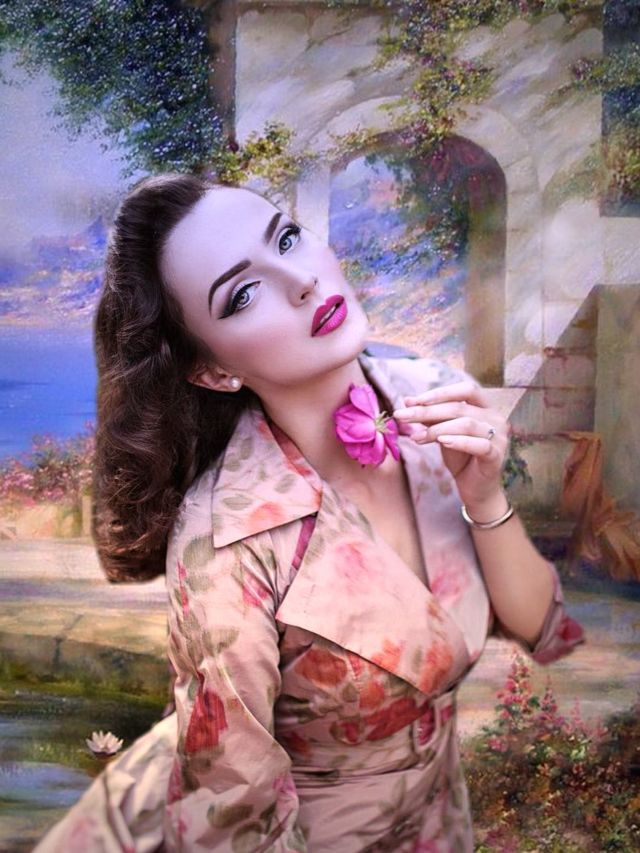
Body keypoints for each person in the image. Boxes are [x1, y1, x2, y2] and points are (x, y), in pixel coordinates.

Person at [34, 173, 585, 852]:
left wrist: (485, 498)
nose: (299, 281)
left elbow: (540, 627)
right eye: (242, 294)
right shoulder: (227, 544)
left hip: (437, 819)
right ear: (213, 371)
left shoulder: (432, 393)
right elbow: (234, 820)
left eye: (287, 238)